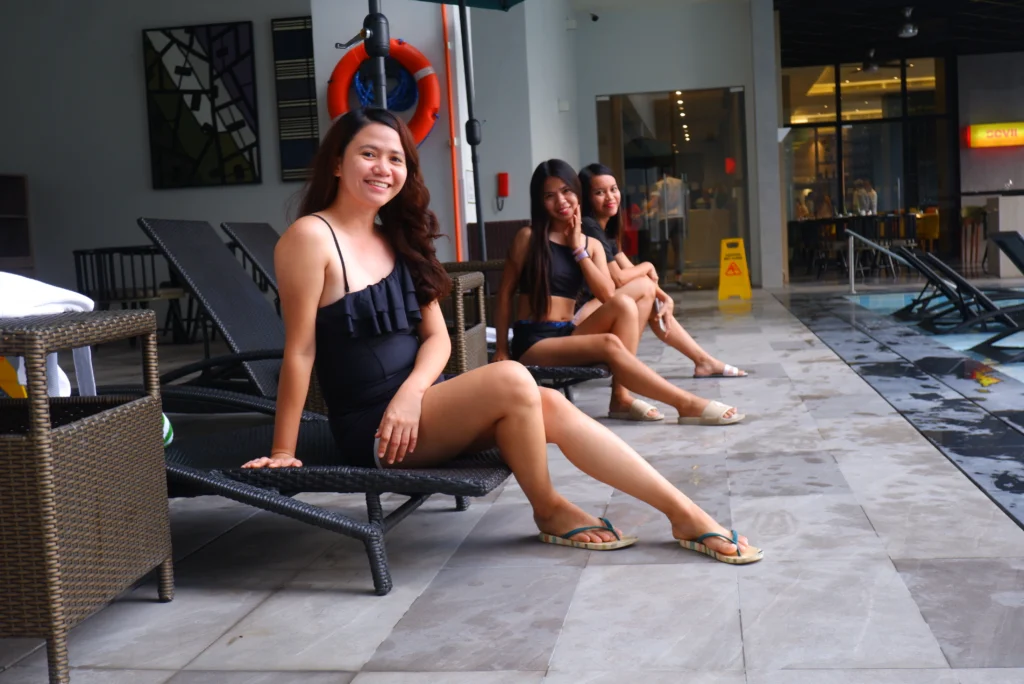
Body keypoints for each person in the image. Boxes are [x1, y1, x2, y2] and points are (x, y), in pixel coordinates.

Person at [240, 109, 761, 563]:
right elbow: (301, 349)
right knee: (514, 377)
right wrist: (284, 451)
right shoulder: (310, 238)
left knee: (546, 404)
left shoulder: (394, 236)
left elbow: (437, 340)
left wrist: (411, 393)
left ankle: (684, 514)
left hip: (418, 407)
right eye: (369, 154)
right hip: (373, 430)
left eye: (396, 158)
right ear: (337, 162)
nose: (384, 168)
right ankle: (550, 507)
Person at [492, 159, 744, 426]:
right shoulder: (528, 238)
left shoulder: (591, 245)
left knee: (624, 304)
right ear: (540, 201)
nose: (561, 201)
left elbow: (607, 295)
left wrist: (578, 250)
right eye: (550, 195)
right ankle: (686, 403)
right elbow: (505, 293)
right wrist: (500, 349)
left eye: (567, 191)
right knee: (610, 343)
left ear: (577, 193)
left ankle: (621, 397)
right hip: (535, 342)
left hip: (567, 333)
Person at [575, 163, 748, 381]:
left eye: (614, 189)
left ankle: (702, 361)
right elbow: (619, 279)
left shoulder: (606, 229)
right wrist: (648, 266)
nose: (610, 197)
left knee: (652, 298)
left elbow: (628, 271)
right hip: (582, 317)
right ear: (587, 198)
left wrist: (665, 298)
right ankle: (632, 374)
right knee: (645, 289)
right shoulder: (589, 227)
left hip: (599, 309)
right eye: (599, 192)